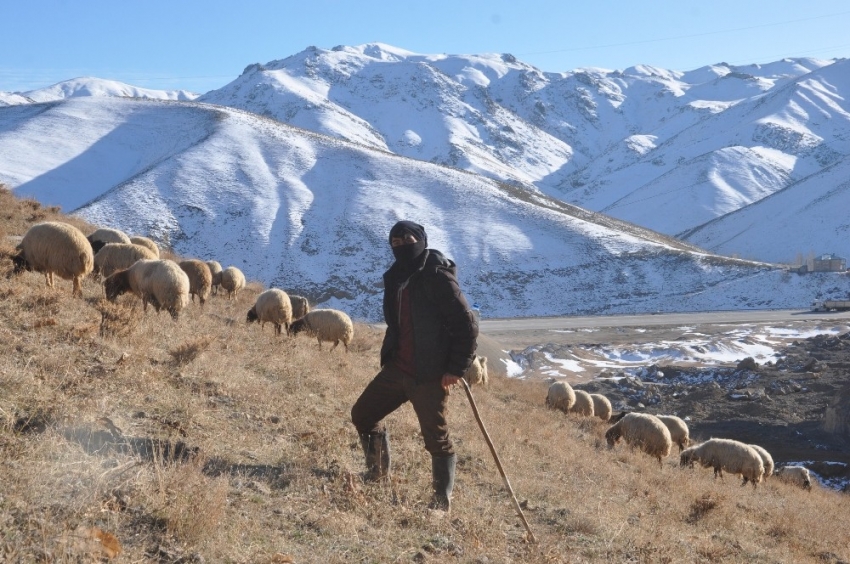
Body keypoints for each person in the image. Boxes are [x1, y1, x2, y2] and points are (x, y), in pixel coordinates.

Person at [351, 220, 479, 511]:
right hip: (398, 368)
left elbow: (467, 325)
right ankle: (377, 473)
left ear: (421, 239)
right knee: (363, 414)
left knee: (437, 439)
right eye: (395, 242)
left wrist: (456, 368)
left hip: (430, 375)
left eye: (407, 239)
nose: (401, 245)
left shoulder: (437, 275)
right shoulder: (396, 277)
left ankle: (441, 502)